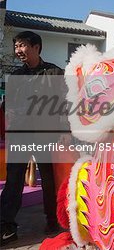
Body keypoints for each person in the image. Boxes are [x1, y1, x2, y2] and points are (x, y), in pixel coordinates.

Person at [0, 31, 63, 246]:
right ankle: (7, 226)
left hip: (46, 135)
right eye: (16, 46)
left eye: (23, 45)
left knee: (48, 180)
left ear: (36, 47)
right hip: (20, 135)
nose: (18, 51)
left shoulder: (55, 73)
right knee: (14, 180)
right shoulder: (17, 76)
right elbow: (7, 105)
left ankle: (53, 220)